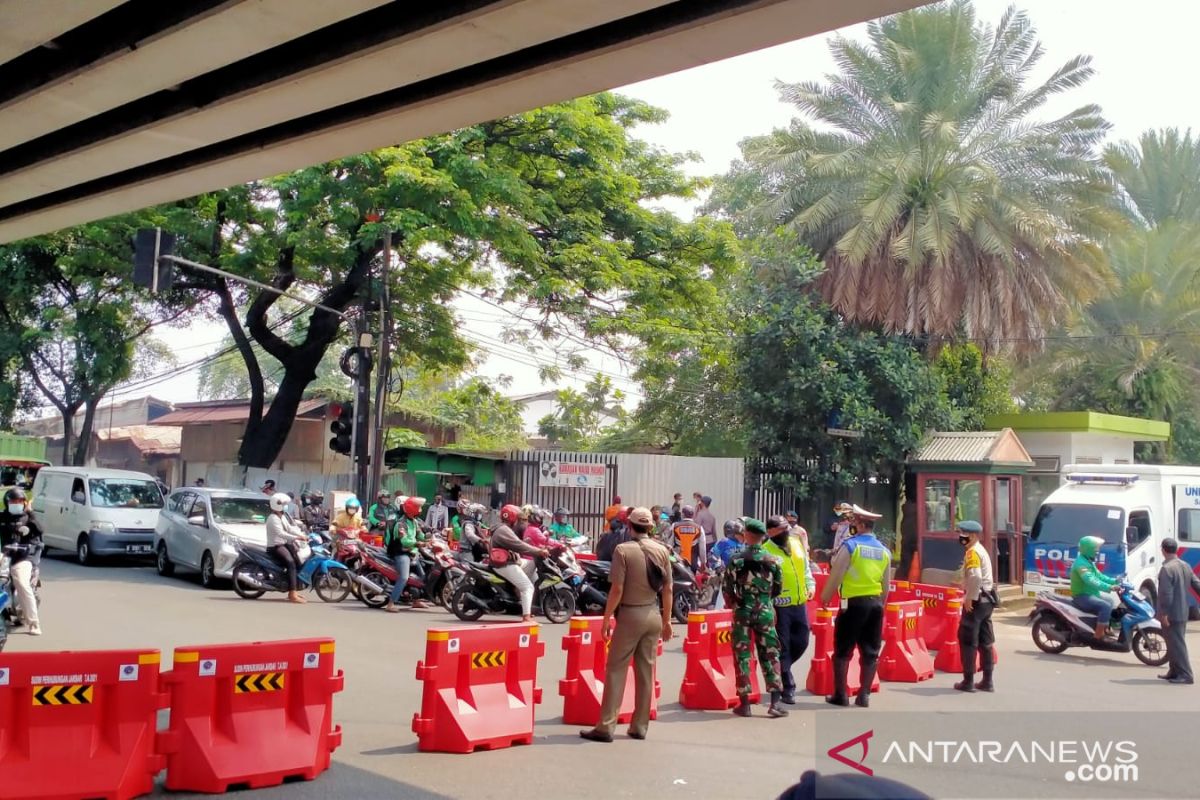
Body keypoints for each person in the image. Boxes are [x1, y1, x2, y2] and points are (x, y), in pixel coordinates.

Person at [580, 507, 673, 743]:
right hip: (653, 613)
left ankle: (606, 726)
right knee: (645, 672)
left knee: (616, 670)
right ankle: (640, 726)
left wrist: (606, 617)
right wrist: (667, 621)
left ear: (629, 526)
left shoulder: (623, 550)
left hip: (631, 614)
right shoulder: (662, 550)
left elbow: (617, 589)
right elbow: (668, 589)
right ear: (651, 527)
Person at [820, 505, 890, 707]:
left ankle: (841, 695)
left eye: (854, 523)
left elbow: (837, 574)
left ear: (859, 524)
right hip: (875, 604)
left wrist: (825, 597)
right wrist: (880, 604)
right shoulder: (883, 550)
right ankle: (864, 695)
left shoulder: (851, 546)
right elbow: (886, 585)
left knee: (843, 650)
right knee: (871, 651)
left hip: (852, 604)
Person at [723, 518, 788, 718]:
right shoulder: (773, 561)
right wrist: (765, 600)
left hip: (742, 610)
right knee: (770, 653)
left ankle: (745, 704)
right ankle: (775, 703)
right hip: (765, 611)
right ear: (762, 537)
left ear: (747, 536)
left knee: (742, 655)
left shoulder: (737, 559)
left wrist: (736, 603)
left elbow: (727, 588)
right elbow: (777, 588)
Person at [763, 514, 815, 704]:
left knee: (802, 641)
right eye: (781, 530)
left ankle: (779, 668)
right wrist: (770, 606)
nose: (786, 533)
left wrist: (811, 585)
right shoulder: (765, 551)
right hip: (780, 607)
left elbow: (805, 567)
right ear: (770, 532)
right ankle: (788, 687)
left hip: (799, 602)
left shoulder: (796, 542)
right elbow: (764, 584)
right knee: (783, 647)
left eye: (787, 529)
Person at [953, 520, 996, 693]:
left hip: (977, 602)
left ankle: (968, 681)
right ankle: (987, 681)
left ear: (972, 535)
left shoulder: (972, 552)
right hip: (988, 601)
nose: (960, 536)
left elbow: (976, 577)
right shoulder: (981, 550)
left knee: (968, 640)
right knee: (986, 642)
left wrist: (969, 598)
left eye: (962, 533)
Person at [491, 504, 550, 622]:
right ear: (512, 518)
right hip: (505, 564)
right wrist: (538, 551)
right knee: (528, 587)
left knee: (532, 564)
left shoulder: (505, 528)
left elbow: (521, 543)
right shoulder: (504, 530)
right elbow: (520, 546)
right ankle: (526, 617)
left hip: (510, 560)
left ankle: (522, 596)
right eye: (518, 518)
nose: (520, 520)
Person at [0, 488, 44, 635]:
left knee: (22, 584)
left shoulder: (28, 518)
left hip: (23, 557)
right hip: (5, 556)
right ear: (7, 503)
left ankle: (34, 623)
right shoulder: (2, 517)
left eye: (19, 501)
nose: (16, 503)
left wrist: (30, 513)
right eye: (13, 501)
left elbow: (40, 530)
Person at [1157, 537, 1200, 684]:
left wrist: (1163, 613)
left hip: (1171, 614)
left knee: (1177, 644)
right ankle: (1174, 671)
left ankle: (1186, 674)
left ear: (1163, 550)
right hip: (1182, 610)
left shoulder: (1167, 568)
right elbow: (1196, 584)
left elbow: (1165, 594)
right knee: (1172, 643)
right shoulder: (1185, 565)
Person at [384, 497, 433, 612]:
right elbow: (405, 541)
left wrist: (429, 537)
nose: (420, 509)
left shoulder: (414, 522)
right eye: (418, 507)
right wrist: (418, 543)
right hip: (402, 553)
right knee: (404, 577)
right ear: (412, 509)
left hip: (413, 553)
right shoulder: (401, 524)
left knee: (422, 577)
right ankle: (391, 603)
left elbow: (420, 535)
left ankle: (415, 600)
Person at [1070, 535, 1120, 641]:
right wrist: (1109, 587)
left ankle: (1104, 628)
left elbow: (1100, 576)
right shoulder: (1081, 564)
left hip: (1090, 593)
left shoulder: (1088, 561)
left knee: (1110, 601)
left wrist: (1115, 581)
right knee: (1105, 606)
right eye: (1095, 548)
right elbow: (1091, 580)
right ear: (1088, 549)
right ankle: (1098, 636)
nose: (1097, 551)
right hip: (1082, 595)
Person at [266, 492, 308, 604]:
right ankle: (292, 593)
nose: (286, 506)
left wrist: (302, 535)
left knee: (298, 560)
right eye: (283, 504)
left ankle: (293, 588)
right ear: (277, 504)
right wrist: (296, 538)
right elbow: (281, 533)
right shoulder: (273, 518)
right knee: (291, 563)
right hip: (275, 547)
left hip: (284, 544)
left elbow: (289, 528)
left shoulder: (282, 516)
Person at [671, 505, 705, 570]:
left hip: (677, 561)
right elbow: (702, 548)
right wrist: (703, 563)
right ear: (693, 515)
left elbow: (669, 544)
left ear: (683, 514)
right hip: (693, 562)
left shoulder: (675, 526)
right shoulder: (699, 528)